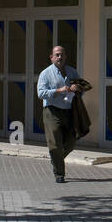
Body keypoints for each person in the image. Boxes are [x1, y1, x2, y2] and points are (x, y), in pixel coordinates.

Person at [36, 45, 82, 183]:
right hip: (52, 111)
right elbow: (41, 93)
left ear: (66, 56)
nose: (59, 57)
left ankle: (56, 160)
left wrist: (77, 88)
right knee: (54, 143)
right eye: (57, 55)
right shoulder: (45, 73)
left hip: (69, 111)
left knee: (71, 142)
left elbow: (82, 89)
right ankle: (59, 174)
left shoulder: (72, 72)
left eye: (62, 55)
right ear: (51, 58)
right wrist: (58, 91)